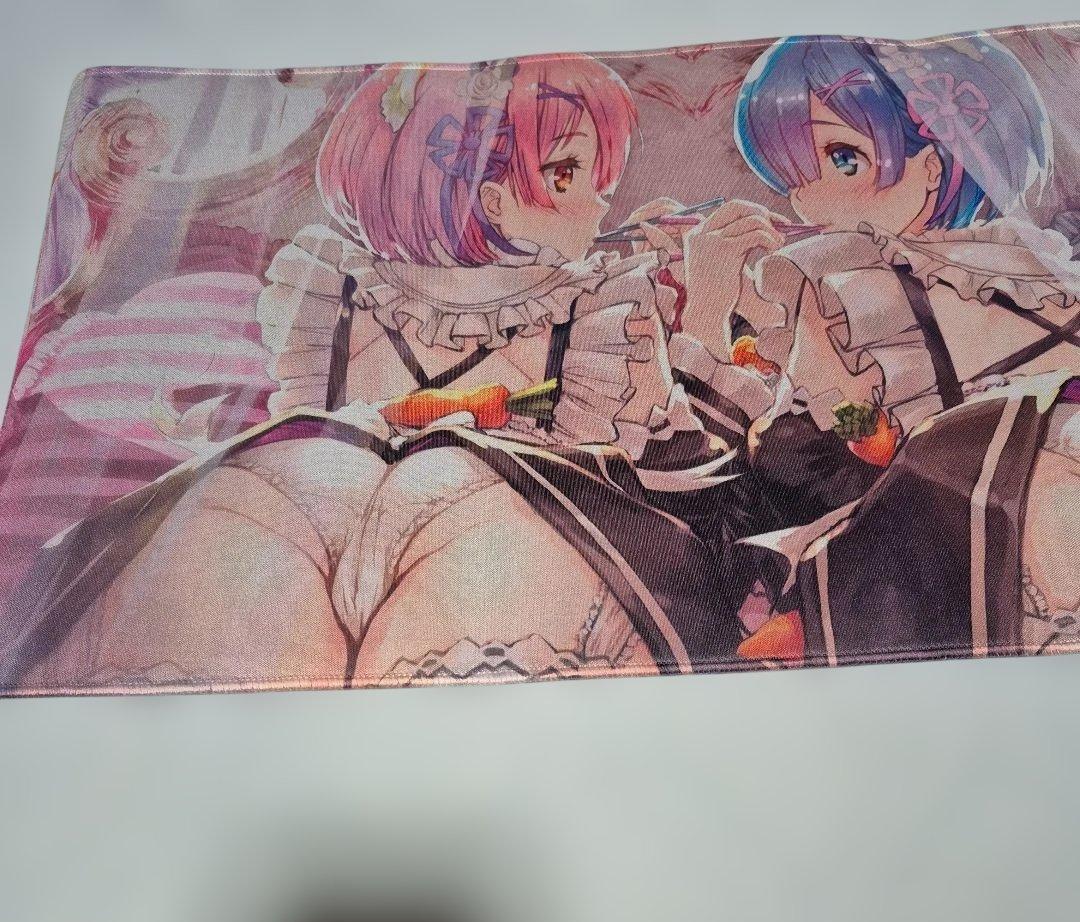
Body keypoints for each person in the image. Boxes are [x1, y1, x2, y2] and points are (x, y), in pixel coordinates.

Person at [2, 57, 760, 692]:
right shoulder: (335, 286)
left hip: (368, 508)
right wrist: (707, 313)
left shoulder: (584, 307)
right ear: (491, 198)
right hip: (363, 510)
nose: (600, 199)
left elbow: (682, 486)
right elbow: (692, 483)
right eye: (567, 173)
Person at [663, 35, 1080, 663]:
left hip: (928, 594)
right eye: (795, 177)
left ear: (933, 166)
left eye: (844, 159)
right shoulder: (1045, 275)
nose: (808, 200)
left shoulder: (840, 288)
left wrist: (707, 316)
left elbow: (738, 494)